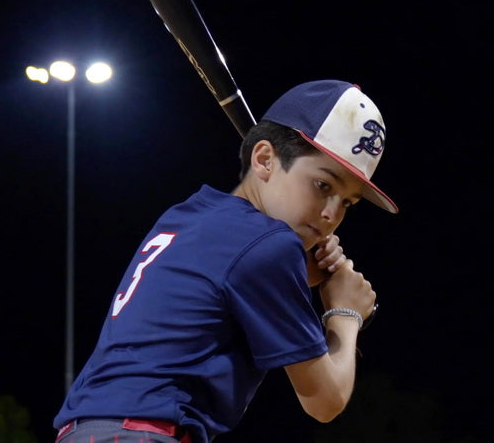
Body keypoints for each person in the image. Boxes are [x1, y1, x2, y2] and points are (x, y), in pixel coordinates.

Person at [53, 79, 398, 443]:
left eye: (346, 202)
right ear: (265, 159)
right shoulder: (271, 245)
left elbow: (223, 294)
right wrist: (345, 313)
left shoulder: (188, 214)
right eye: (323, 186)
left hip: (89, 430)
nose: (331, 215)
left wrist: (300, 277)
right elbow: (325, 401)